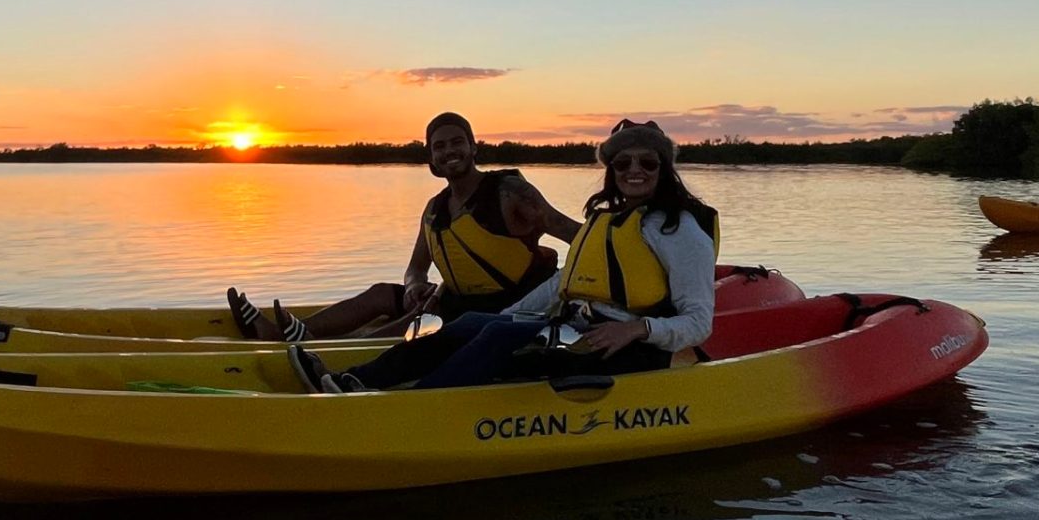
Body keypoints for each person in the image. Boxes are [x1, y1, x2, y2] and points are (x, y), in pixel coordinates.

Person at [291, 119, 717, 392]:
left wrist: (637, 330)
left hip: (630, 347)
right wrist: (504, 316)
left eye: (647, 162)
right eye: (623, 164)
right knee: (475, 324)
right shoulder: (610, 221)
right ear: (612, 171)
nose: (634, 171)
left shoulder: (679, 231)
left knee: (495, 337)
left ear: (665, 168)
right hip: (578, 328)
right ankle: (355, 380)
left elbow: (698, 323)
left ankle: (418, 403)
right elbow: (562, 284)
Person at [227, 111, 578, 341]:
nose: (448, 151)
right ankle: (287, 333)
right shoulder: (434, 211)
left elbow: (575, 234)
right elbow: (415, 268)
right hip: (456, 301)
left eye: (457, 142)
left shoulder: (509, 193)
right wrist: (414, 286)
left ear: (474, 148)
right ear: (431, 158)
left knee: (422, 317)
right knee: (385, 294)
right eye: (439, 147)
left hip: (509, 306)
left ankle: (323, 348)